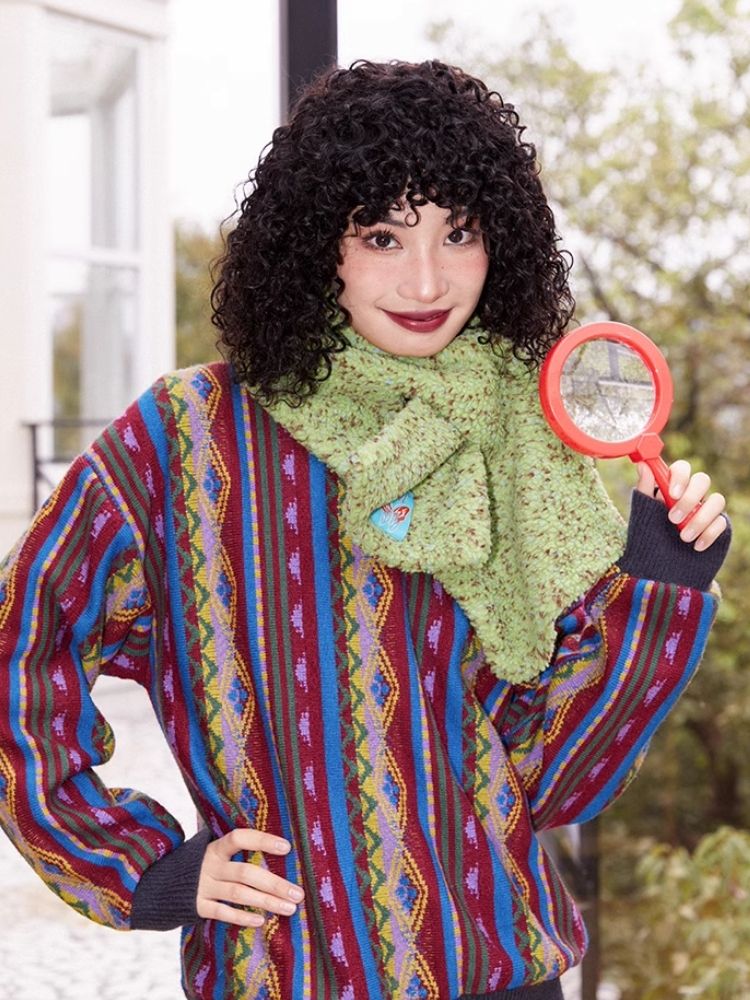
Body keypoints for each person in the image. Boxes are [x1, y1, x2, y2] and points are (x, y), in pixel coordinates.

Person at [0, 60, 730, 1000]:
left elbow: (549, 782)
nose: (426, 278)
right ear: (317, 245)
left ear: (501, 241)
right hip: (286, 971)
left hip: (499, 971)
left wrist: (659, 583)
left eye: (458, 232)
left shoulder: (526, 443)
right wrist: (133, 863)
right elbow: (19, 646)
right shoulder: (187, 441)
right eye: (382, 235)